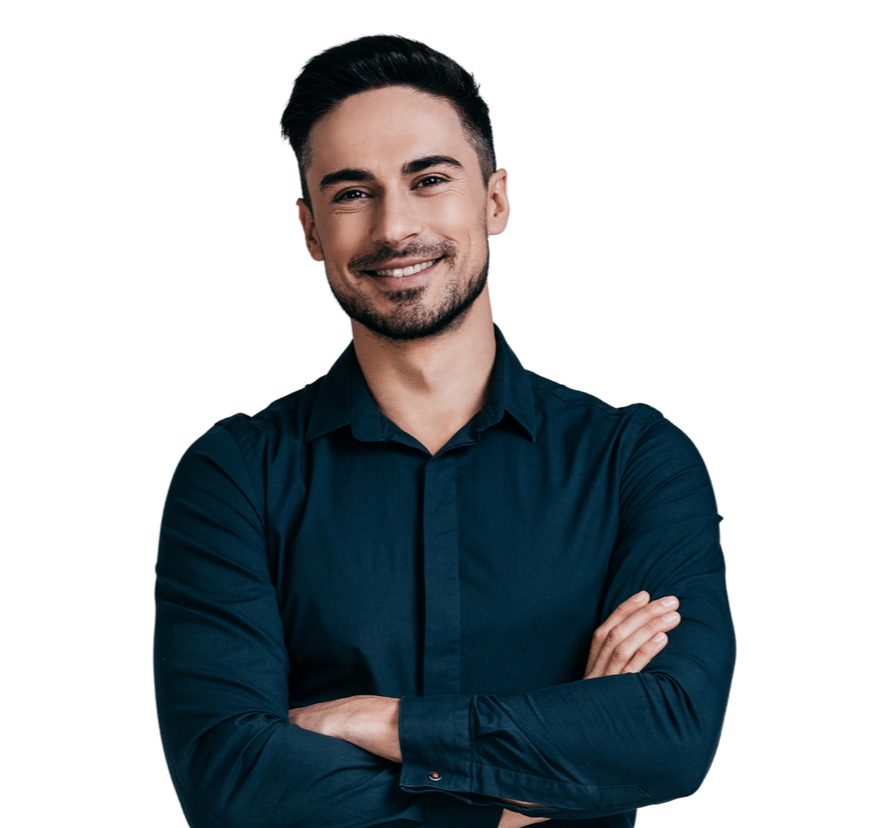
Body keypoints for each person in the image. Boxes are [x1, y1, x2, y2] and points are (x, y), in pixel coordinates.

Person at [153, 34, 735, 828]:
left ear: (495, 200)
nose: (395, 227)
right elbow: (227, 776)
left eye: (429, 179)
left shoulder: (633, 459)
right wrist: (529, 791)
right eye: (352, 193)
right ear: (309, 229)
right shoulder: (233, 474)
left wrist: (379, 723)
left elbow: (669, 736)